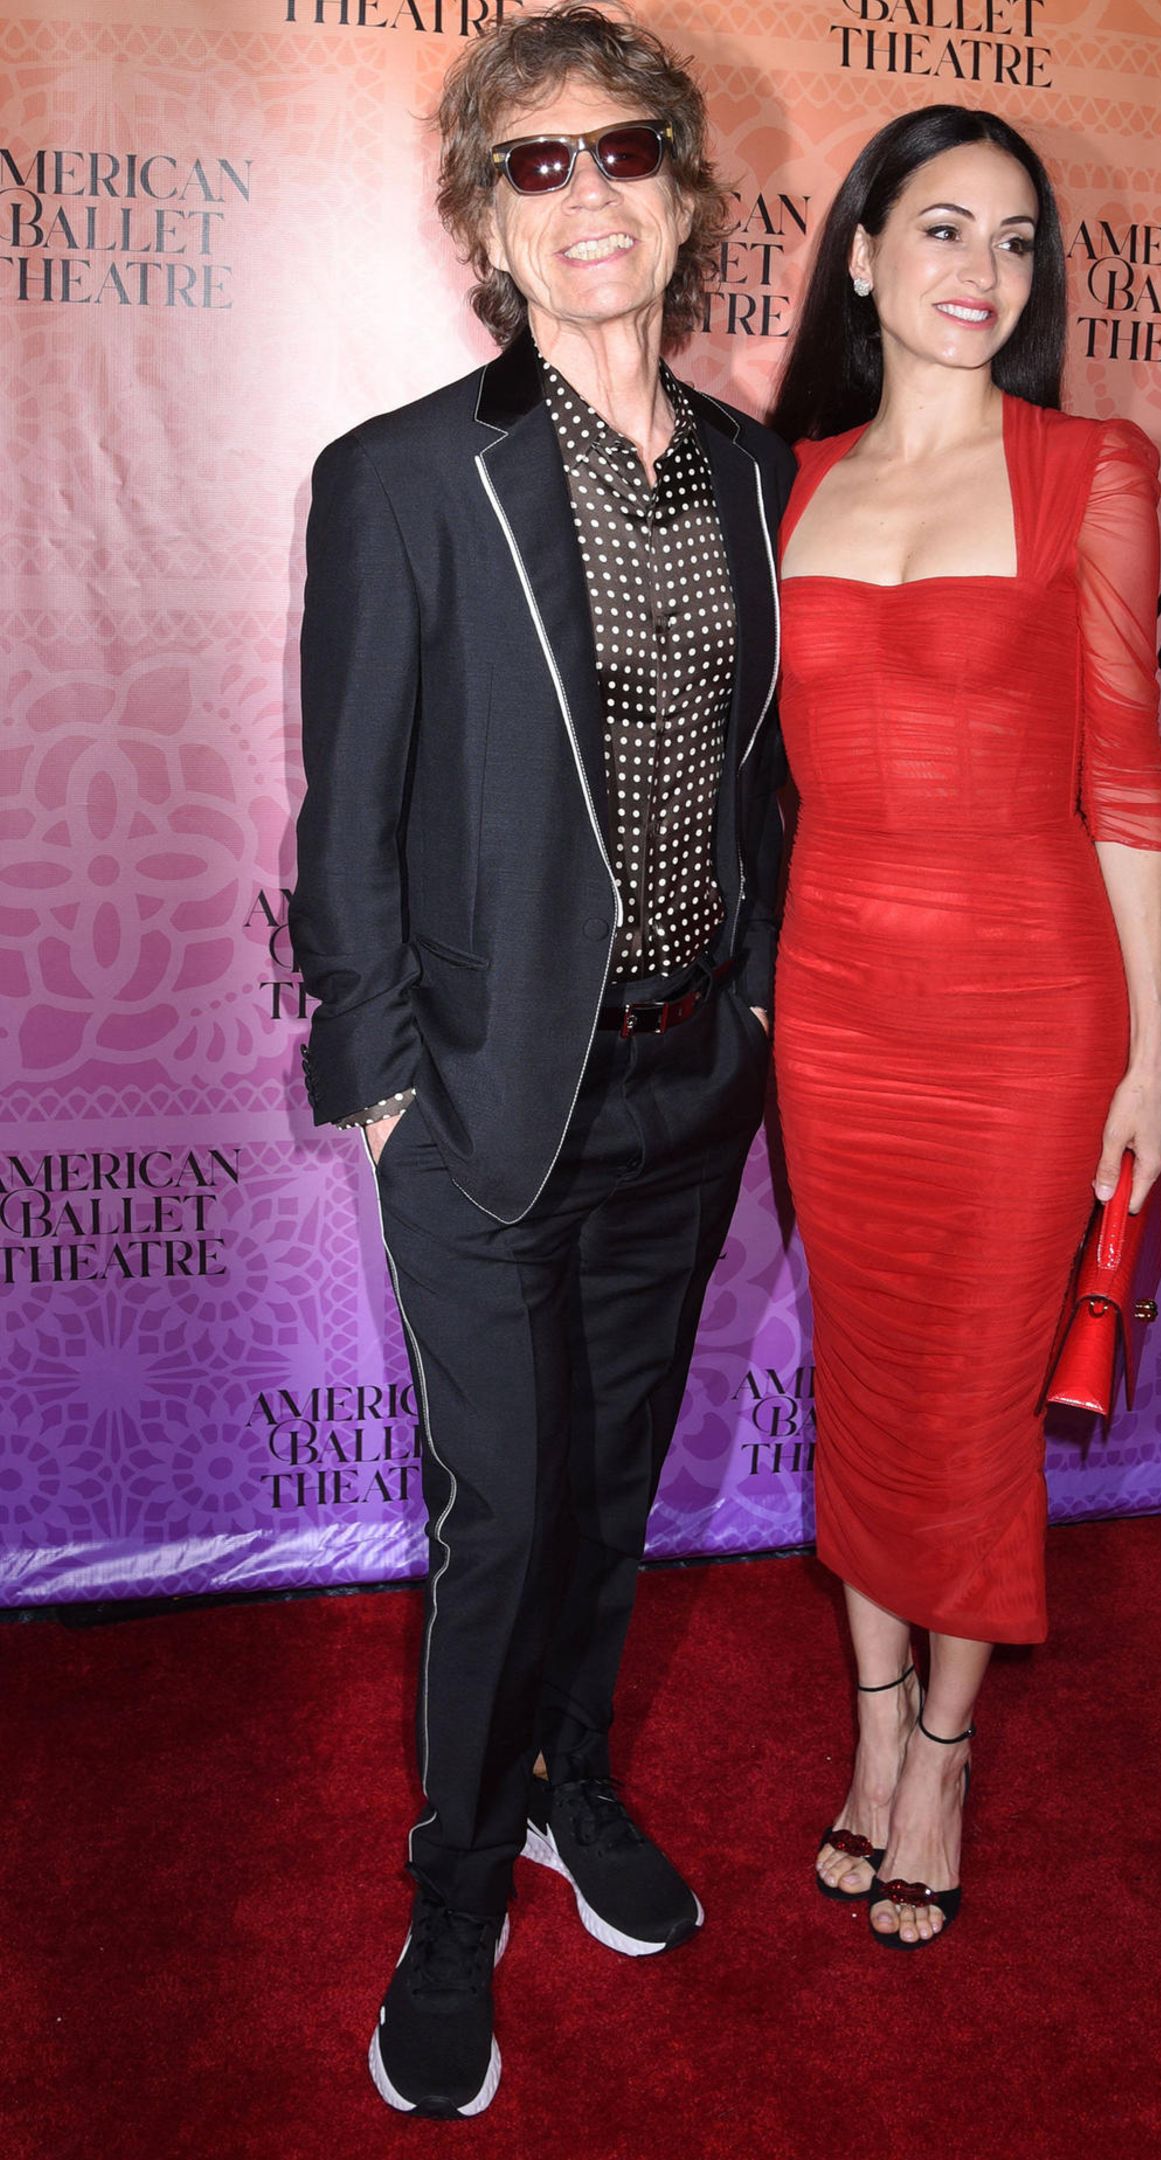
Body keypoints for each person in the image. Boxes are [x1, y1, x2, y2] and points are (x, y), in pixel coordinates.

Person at [290, 5, 791, 2116]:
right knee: (502, 1511)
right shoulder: (406, 475)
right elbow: (349, 811)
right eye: (538, 163)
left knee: (610, 1490)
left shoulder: (765, 474)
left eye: (624, 155)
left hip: (692, 1086)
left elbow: (782, 787)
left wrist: (760, 1020)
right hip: (489, 1100)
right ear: (489, 215)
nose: (590, 196)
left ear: (683, 190)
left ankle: (580, 1785)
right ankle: (448, 1888)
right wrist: (383, 1085)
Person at [767, 105, 1161, 1949]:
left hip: (1029, 1016)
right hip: (837, 1009)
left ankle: (939, 1754)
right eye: (941, 231)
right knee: (867, 1384)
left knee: (969, 1405)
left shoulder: (1089, 463)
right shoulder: (789, 480)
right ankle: (868, 1730)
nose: (980, 276)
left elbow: (1129, 786)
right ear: (860, 254)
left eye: (1016, 243)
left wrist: (1148, 1055)